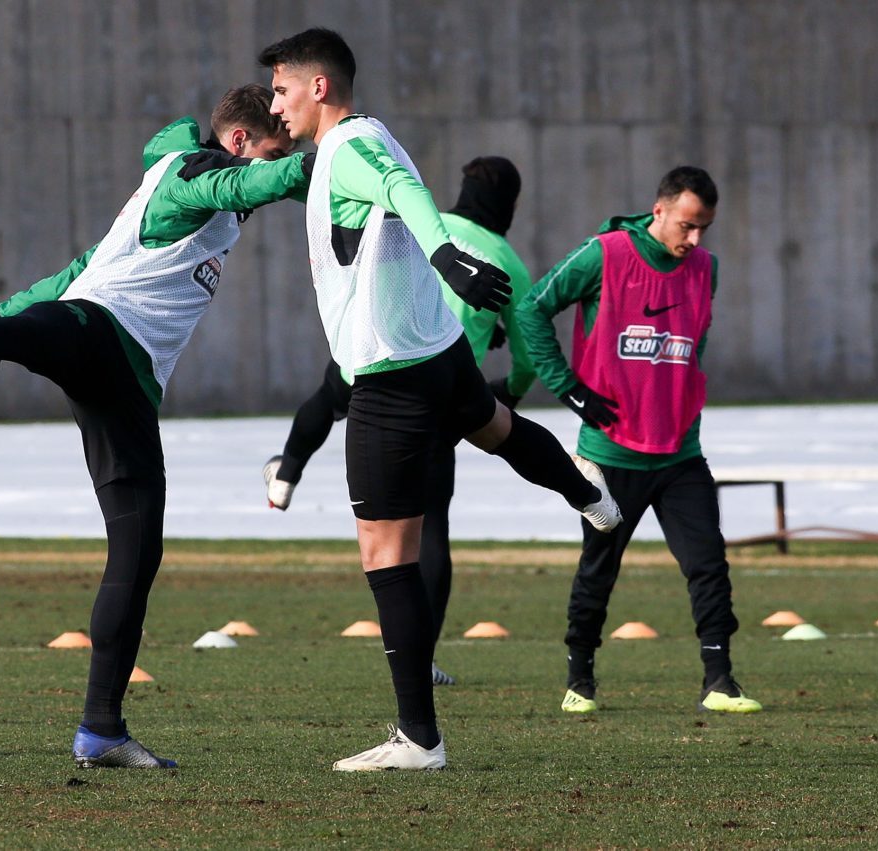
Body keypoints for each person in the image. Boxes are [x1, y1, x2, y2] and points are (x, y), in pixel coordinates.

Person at [0, 84, 313, 769]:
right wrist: (332, 150)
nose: (277, 159)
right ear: (239, 143)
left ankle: (102, 731)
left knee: (137, 552)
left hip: (126, 382)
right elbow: (277, 178)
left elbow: (81, 266)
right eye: (272, 145)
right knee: (33, 339)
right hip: (103, 333)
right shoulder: (194, 175)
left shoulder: (190, 185)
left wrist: (3, 319)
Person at [256, 28, 621, 771]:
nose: (276, 102)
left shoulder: (355, 144)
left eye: (282, 88)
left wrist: (447, 254)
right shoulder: (338, 150)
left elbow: (404, 190)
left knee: (386, 551)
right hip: (435, 351)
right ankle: (588, 492)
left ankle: (419, 737)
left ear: (318, 86)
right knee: (495, 425)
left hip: (390, 369)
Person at [260, 156, 536, 688]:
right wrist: (501, 398)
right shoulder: (508, 261)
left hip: (372, 356)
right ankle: (423, 657)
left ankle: (286, 473)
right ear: (512, 205)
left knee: (326, 396)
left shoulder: (423, 219)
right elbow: (525, 361)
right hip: (440, 391)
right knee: (430, 529)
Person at [514, 165, 762, 715]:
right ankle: (580, 680)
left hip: (680, 452)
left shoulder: (706, 269)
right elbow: (531, 308)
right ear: (660, 210)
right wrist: (571, 392)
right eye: (687, 225)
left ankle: (719, 680)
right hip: (610, 453)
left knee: (708, 564)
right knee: (598, 569)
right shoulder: (604, 253)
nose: (694, 240)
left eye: (704, 230)